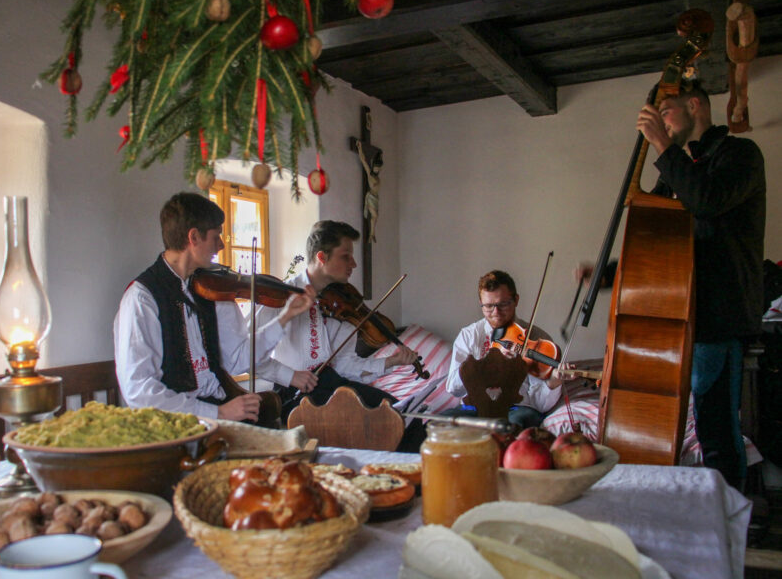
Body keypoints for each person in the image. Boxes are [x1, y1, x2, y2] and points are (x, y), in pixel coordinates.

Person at [582, 78, 765, 489]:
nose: (662, 123)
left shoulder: (739, 154)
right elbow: (656, 243)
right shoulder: (682, 169)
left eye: (667, 112)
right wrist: (606, 273)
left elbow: (708, 201)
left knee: (717, 432)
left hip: (718, 316)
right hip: (678, 316)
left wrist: (663, 146)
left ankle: (729, 518)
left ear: (695, 105)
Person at [113, 192, 315, 423]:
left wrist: (286, 316)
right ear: (194, 237)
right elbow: (139, 391)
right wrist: (217, 413)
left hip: (217, 407)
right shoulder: (142, 298)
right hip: (174, 424)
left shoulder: (210, 289)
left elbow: (239, 358)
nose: (220, 245)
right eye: (216, 236)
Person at [253, 220, 419, 420]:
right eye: (345, 257)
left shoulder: (343, 303)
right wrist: (290, 376)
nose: (354, 264)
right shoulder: (279, 294)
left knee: (400, 414)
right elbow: (249, 354)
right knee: (378, 423)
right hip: (297, 395)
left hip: (332, 386)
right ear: (322, 257)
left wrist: (392, 361)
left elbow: (345, 366)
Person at [445, 270, 566, 428]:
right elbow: (453, 388)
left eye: (502, 304)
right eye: (488, 306)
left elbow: (540, 404)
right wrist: (487, 364)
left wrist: (553, 383)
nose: (495, 313)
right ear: (481, 303)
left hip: (516, 409)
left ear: (515, 300)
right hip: (474, 408)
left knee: (512, 427)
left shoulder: (536, 339)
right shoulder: (469, 335)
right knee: (440, 423)